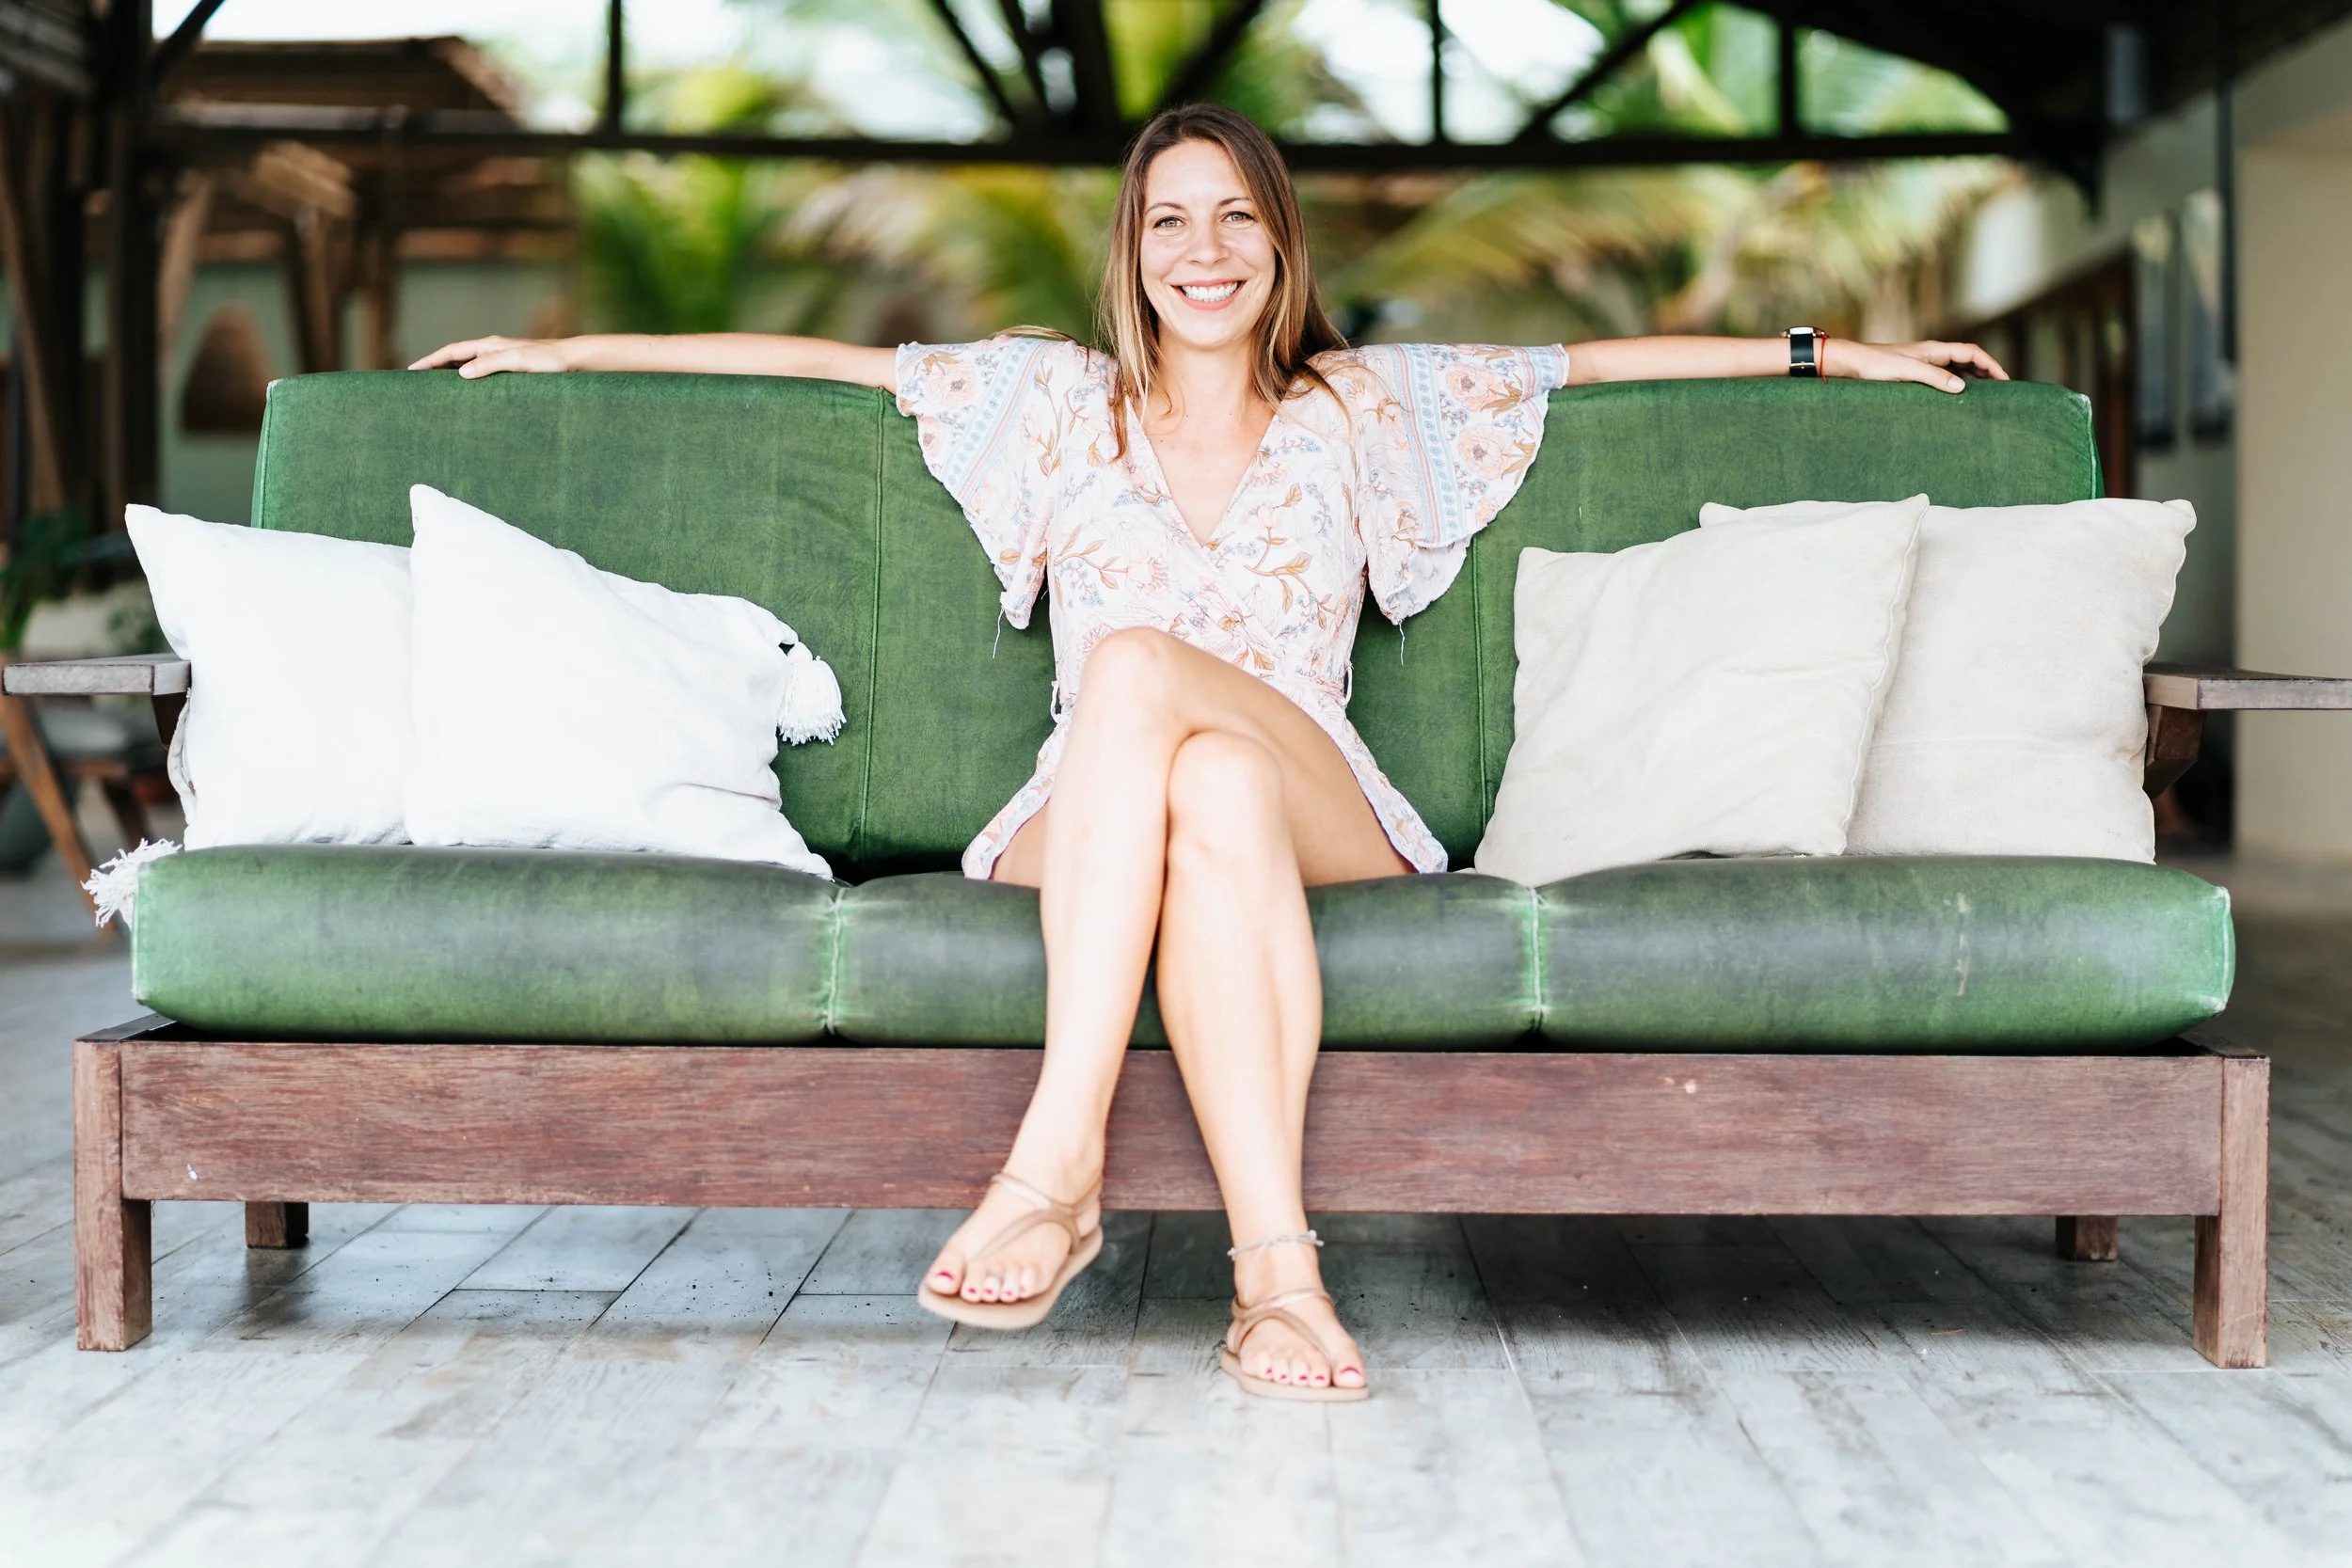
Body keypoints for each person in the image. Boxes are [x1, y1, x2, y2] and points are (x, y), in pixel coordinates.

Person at [413, 103, 2007, 1402]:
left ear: (1280, 244)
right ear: (1133, 251)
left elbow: (1589, 369)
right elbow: (828, 372)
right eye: (1172, 219)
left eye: (1238, 216)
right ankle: (1279, 1282)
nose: (1206, 249)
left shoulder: (1366, 406)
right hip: (1091, 807)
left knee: (1172, 700)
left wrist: (1833, 355)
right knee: (1191, 768)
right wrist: (571, 355)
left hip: (1327, 790)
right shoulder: (1050, 403)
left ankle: (1057, 1163)